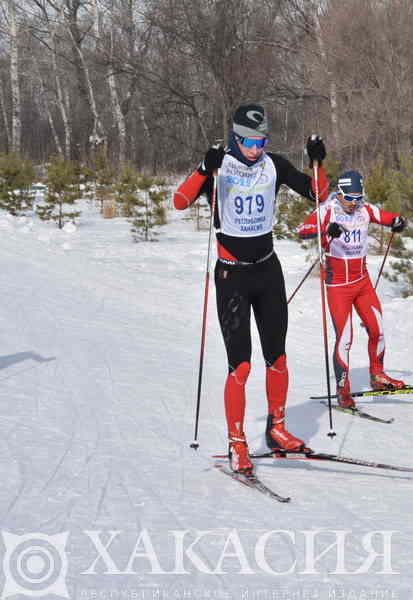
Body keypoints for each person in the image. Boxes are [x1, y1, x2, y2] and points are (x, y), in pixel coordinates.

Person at [172, 103, 328, 475]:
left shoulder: (273, 164)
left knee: (278, 357)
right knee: (240, 365)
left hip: (267, 271)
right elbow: (179, 201)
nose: (256, 148)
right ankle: (237, 442)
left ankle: (277, 429)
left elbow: (318, 195)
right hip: (232, 276)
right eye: (249, 141)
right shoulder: (220, 165)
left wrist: (317, 164)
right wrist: (202, 168)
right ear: (235, 137)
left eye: (262, 141)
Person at [298, 170, 407, 409]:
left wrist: (397, 221)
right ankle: (342, 390)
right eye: (350, 198)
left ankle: (378, 375)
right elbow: (302, 230)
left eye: (358, 197)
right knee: (345, 339)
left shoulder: (365, 209)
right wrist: (326, 230)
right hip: (338, 286)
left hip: (362, 282)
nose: (354, 203)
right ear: (339, 193)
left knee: (377, 329)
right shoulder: (327, 210)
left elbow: (388, 217)